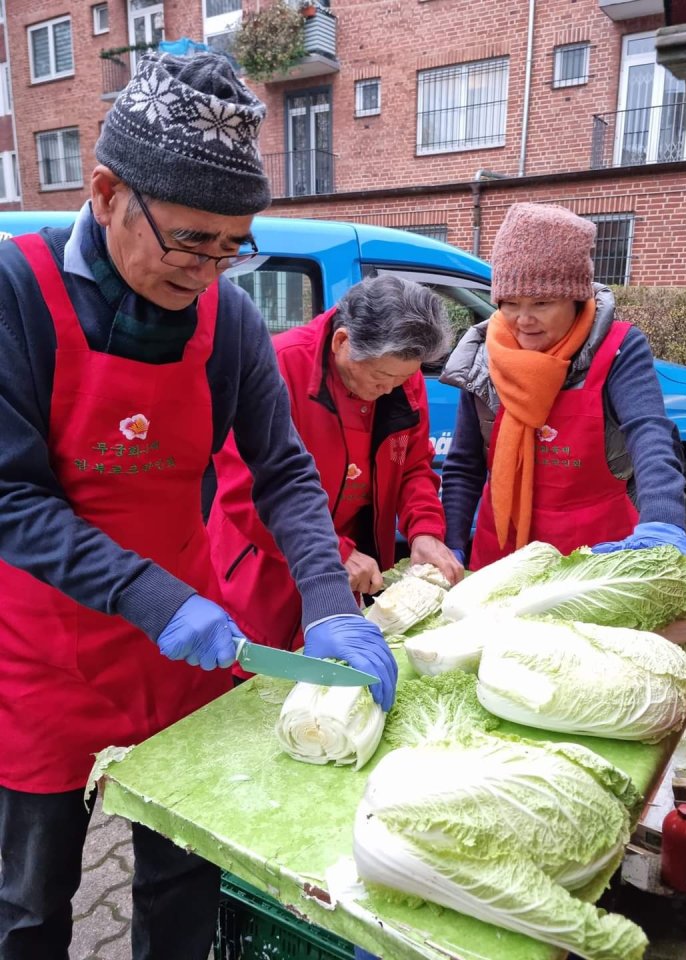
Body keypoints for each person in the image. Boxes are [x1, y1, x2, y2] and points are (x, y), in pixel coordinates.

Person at [0, 52, 396, 960]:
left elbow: (286, 474)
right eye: (189, 239)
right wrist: (151, 597)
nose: (210, 268)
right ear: (105, 192)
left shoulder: (231, 323)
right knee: (29, 901)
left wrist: (332, 607)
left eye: (232, 245)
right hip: (44, 662)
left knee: (181, 883)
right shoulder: (15, 296)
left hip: (185, 654)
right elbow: (10, 498)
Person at [207, 274, 464, 679]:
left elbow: (414, 464)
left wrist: (425, 531)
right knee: (260, 683)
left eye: (402, 379)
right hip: (268, 567)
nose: (391, 389)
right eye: (381, 379)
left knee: (337, 676)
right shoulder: (278, 366)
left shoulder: (400, 372)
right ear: (342, 343)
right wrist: (335, 553)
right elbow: (247, 492)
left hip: (356, 565)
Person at [440, 202, 686, 570]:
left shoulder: (618, 348)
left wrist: (662, 520)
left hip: (597, 557)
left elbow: (649, 434)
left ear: (575, 298)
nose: (523, 320)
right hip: (504, 557)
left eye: (541, 303)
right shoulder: (484, 355)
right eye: (509, 303)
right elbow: (465, 465)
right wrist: (452, 543)